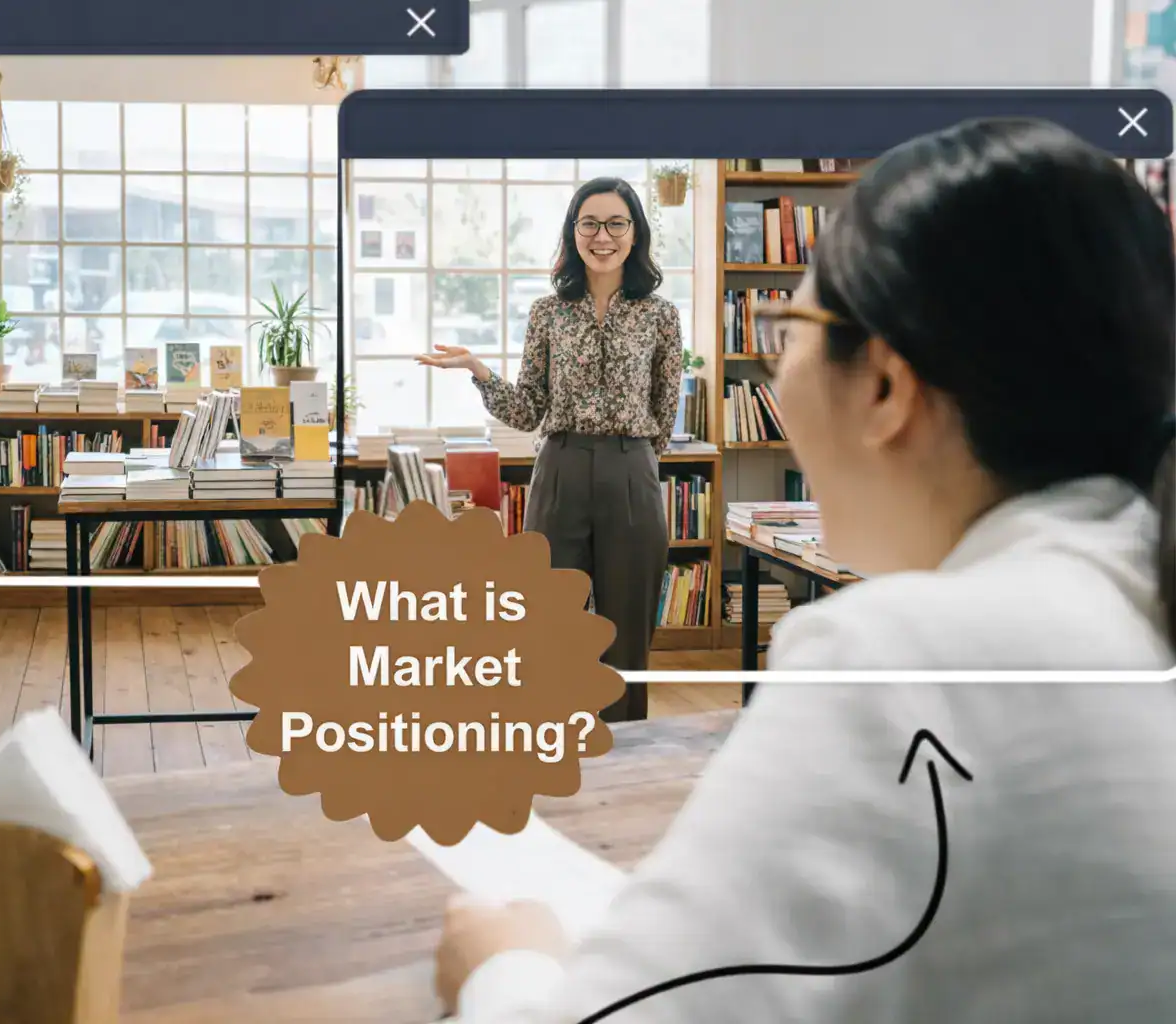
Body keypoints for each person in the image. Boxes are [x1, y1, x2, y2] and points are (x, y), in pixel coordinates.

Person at [431, 119, 1176, 1023]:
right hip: (564, 467)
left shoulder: (892, 656)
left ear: (886, 387)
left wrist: (502, 966)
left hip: (627, 470)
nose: (776, 379)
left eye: (790, 329)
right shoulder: (1134, 587)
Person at [419, 178, 683, 722]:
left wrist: (633, 460)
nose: (602, 236)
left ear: (635, 233)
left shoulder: (660, 315)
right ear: (573, 232)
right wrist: (478, 370)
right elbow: (527, 410)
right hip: (560, 468)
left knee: (626, 631)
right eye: (590, 223)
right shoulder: (548, 312)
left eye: (616, 223)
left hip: (632, 471)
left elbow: (664, 408)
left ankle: (624, 745)